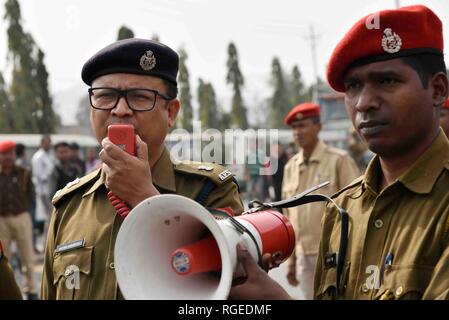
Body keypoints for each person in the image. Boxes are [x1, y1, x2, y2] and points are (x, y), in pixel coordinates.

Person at [229, 5, 449, 300]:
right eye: (353, 86)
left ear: (437, 90)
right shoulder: (343, 208)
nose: (363, 102)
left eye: (387, 81)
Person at [41, 38, 244, 299]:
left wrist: (144, 197)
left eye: (139, 97)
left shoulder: (210, 191)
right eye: (105, 96)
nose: (121, 110)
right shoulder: (70, 206)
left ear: (171, 112)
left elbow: (236, 290)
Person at [282, 102, 359, 299]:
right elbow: (288, 217)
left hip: (336, 254)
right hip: (304, 258)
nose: (297, 132)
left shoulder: (338, 161)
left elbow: (357, 208)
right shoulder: (290, 167)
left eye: (303, 125)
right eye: (294, 128)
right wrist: (291, 261)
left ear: (318, 127)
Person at [0, 141, 38, 300]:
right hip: (1, 220)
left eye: (11, 153)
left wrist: (27, 212)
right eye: (5, 154)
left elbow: (31, 195)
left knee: (28, 256)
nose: (8, 157)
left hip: (22, 217)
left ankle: (31, 290)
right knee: (3, 259)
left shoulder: (24, 173)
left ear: (15, 155)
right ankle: (6, 290)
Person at [31, 135, 55, 230]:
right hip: (43, 190)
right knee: (49, 216)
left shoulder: (48, 154)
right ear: (42, 144)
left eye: (49, 143)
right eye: (47, 143)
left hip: (49, 189)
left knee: (51, 216)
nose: (49, 145)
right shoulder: (38, 156)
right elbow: (39, 175)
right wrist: (50, 173)